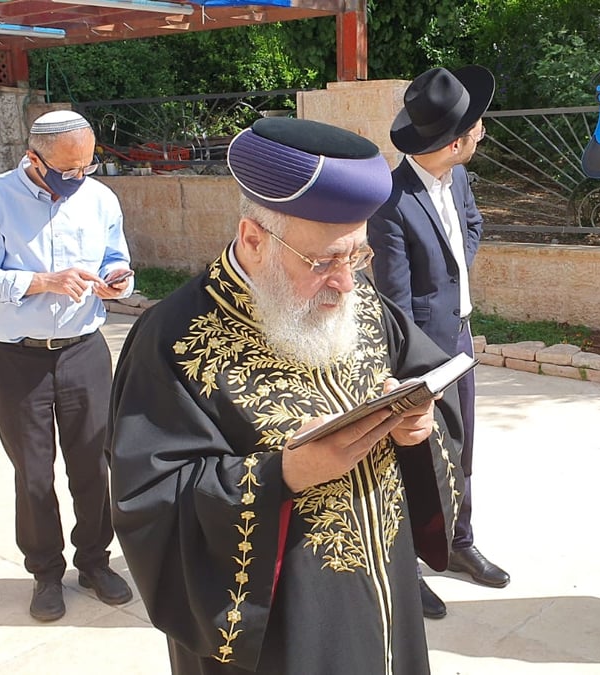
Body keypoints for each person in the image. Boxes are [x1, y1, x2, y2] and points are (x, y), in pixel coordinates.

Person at [107, 117, 465, 674]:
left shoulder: (363, 304)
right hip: (278, 631)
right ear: (253, 238)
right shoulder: (173, 339)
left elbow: (427, 387)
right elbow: (150, 503)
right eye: (324, 261)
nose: (346, 282)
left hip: (387, 596)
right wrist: (286, 474)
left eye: (358, 256)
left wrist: (419, 425)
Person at [0, 110, 135, 622]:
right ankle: (45, 573)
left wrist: (117, 279)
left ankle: (96, 562)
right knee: (34, 474)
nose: (78, 179)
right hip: (19, 359)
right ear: (34, 159)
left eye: (86, 166)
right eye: (67, 171)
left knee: (92, 467)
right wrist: (42, 281)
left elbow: (115, 257)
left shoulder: (99, 198)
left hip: (84, 351)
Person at [368, 65, 510, 620]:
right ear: (454, 140)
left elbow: (471, 227)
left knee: (463, 450)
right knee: (420, 461)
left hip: (462, 341)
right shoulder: (392, 200)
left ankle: (459, 541)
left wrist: (455, 282)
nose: (482, 134)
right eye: (477, 128)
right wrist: (414, 372)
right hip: (424, 353)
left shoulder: (459, 178)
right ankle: (409, 568)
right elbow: (395, 301)